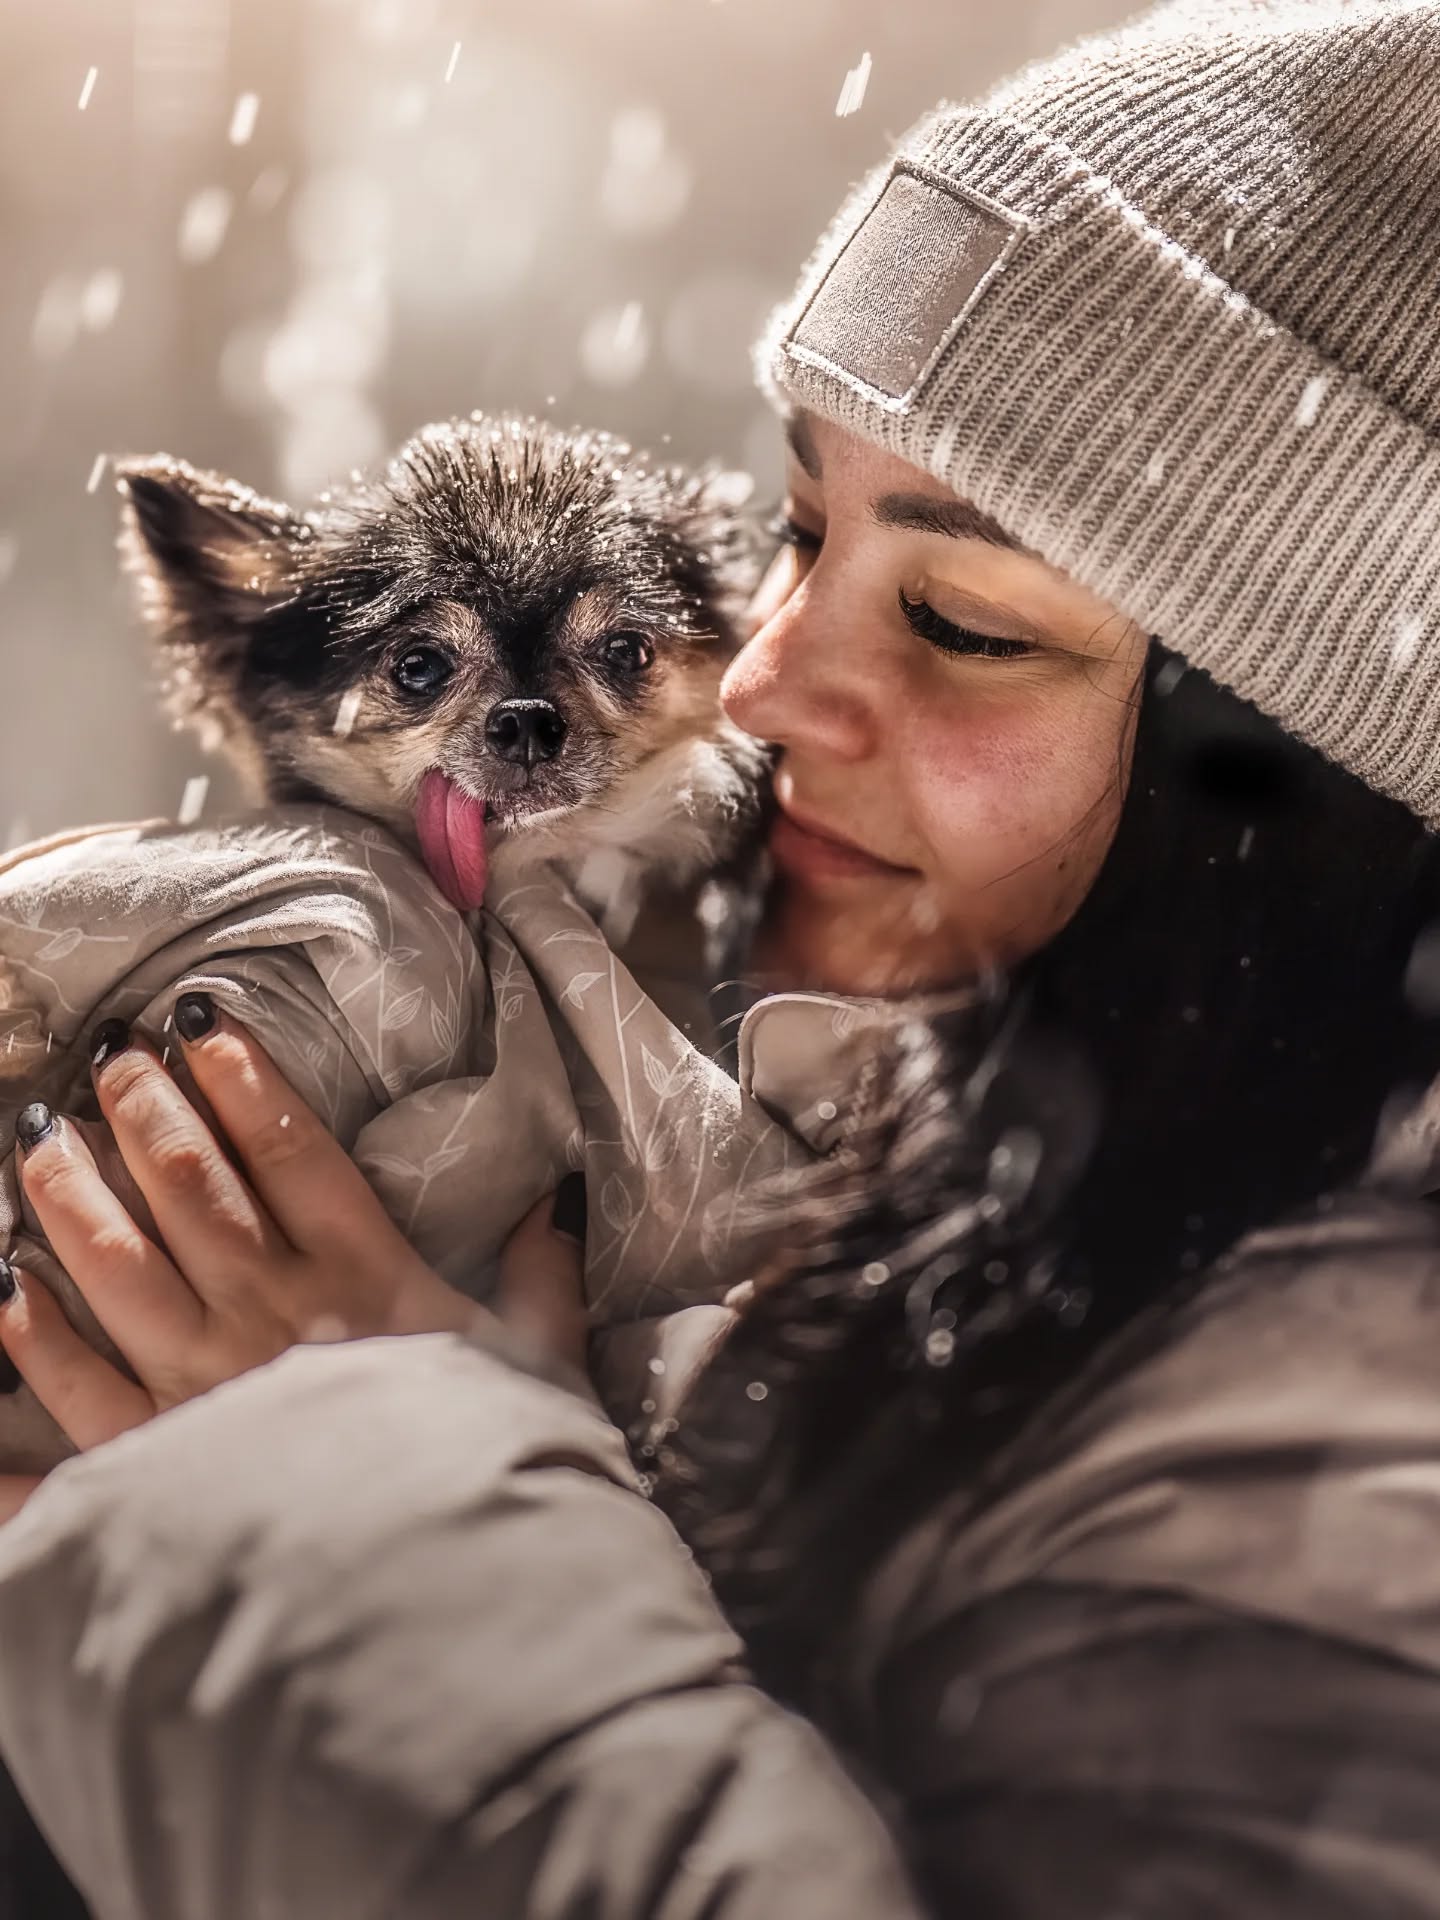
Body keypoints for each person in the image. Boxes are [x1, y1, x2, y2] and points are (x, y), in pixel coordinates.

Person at [7, 0, 1440, 1912]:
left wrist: (383, 1514)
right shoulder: (966, 1158)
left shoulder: (1367, 1449)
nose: (756, 682)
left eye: (961, 617)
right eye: (795, 529)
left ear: (1318, 781)